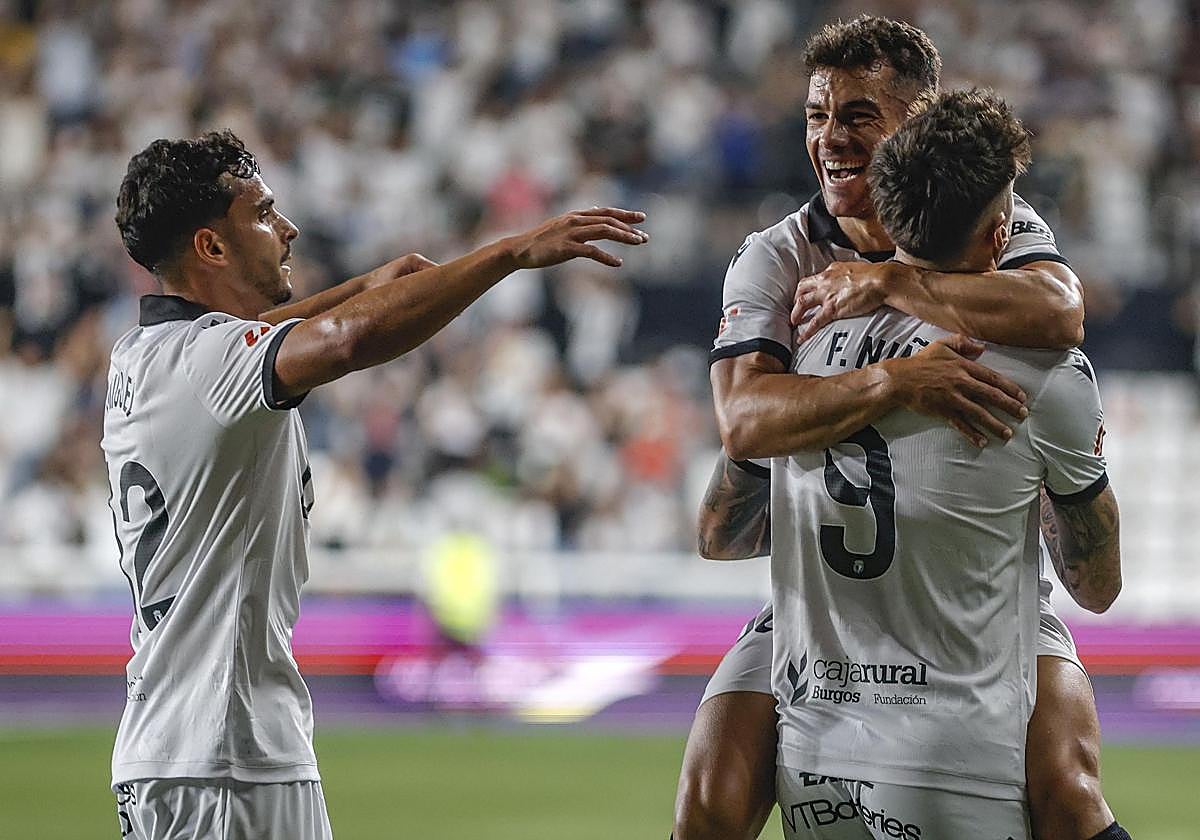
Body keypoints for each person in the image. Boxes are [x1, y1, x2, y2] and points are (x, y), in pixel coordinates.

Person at [102, 129, 647, 840]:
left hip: (175, 745)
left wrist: (361, 286)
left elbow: (259, 334)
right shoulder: (212, 366)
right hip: (224, 753)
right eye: (264, 215)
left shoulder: (141, 356)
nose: (287, 229)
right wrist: (510, 253)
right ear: (211, 247)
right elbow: (344, 343)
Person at [674, 16, 1126, 840]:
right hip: (823, 584)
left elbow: (1061, 311)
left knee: (1068, 789)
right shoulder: (776, 256)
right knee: (708, 800)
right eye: (817, 115)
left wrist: (885, 282)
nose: (829, 139)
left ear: (915, 128)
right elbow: (742, 420)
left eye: (857, 116)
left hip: (977, 580)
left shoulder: (996, 216)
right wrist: (894, 379)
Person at [786, 86, 1117, 838]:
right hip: (956, 748)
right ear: (1002, 235)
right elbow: (1096, 585)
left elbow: (724, 529)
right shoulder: (1041, 373)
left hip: (814, 747)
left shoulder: (801, 347)